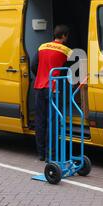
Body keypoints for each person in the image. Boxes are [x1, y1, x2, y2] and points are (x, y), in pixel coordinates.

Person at [31, 25, 72, 161]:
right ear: (64, 36)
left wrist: (41, 76)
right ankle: (51, 155)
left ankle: (41, 153)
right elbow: (72, 70)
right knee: (52, 122)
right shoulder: (67, 51)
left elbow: (33, 65)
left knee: (40, 121)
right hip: (53, 88)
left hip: (39, 87)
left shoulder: (42, 47)